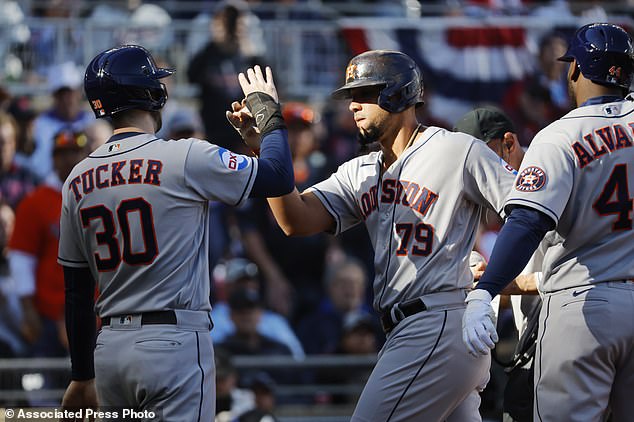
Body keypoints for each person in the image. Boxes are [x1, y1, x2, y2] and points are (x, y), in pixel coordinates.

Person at [228, 50, 518, 421]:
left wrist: (494, 281)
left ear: (397, 94)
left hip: (438, 323)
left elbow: (528, 210)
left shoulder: (456, 149)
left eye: (364, 94)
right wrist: (266, 143)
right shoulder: (360, 171)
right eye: (351, 96)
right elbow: (294, 219)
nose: (352, 105)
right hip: (407, 330)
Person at [57, 45, 293, 420]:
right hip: (173, 340)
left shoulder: (76, 179)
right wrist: (268, 116)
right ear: (152, 95)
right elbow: (279, 178)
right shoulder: (185, 156)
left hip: (109, 350)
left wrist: (81, 374)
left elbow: (77, 290)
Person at [461, 23, 634, 422]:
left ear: (574, 70)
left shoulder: (561, 134)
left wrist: (485, 289)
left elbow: (526, 221)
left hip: (584, 305)